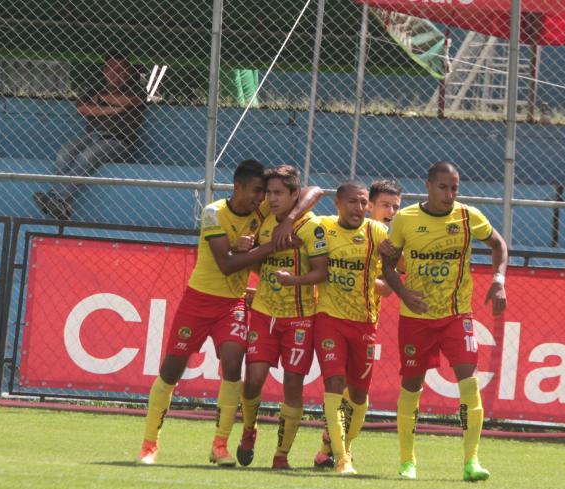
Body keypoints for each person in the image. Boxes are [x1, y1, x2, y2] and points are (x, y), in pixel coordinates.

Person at [136, 160, 321, 466]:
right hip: (198, 301)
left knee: (234, 361)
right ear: (238, 188)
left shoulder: (260, 213)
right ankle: (149, 444)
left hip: (232, 304)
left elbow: (314, 191)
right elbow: (227, 264)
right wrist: (269, 247)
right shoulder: (213, 212)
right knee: (171, 371)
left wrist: (288, 220)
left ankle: (220, 444)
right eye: (256, 191)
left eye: (265, 192)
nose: (262, 199)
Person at [381, 161, 508, 482]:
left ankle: (472, 461)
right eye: (443, 187)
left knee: (469, 380)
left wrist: (498, 279)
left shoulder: (468, 217)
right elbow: (388, 263)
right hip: (415, 318)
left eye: (454, 188)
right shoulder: (406, 219)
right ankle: (407, 461)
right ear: (428, 186)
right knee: (411, 385)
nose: (450, 194)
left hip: (456, 316)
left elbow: (498, 244)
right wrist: (403, 293)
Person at [236, 165, 328, 470]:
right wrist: (252, 250)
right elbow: (256, 266)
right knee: (254, 381)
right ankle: (249, 430)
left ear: (293, 195)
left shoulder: (312, 226)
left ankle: (281, 454)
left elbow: (321, 272)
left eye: (278, 193)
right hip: (263, 312)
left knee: (292, 384)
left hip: (300, 317)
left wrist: (294, 281)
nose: (271, 199)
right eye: (269, 193)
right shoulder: (263, 216)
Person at [311, 179, 400, 469]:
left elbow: (389, 285)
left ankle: (333, 447)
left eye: (396, 207)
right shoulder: (328, 227)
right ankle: (341, 457)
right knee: (336, 384)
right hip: (329, 317)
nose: (391, 211)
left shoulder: (382, 238)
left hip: (364, 321)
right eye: (385, 205)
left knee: (358, 395)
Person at [34, 56, 146, 221]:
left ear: (128, 72)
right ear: (104, 71)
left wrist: (100, 102)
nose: (115, 74)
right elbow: (83, 108)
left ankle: (55, 198)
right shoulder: (95, 90)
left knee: (87, 157)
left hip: (118, 141)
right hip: (92, 136)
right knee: (64, 153)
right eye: (111, 69)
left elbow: (129, 100)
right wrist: (115, 109)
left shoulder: (136, 90)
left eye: (121, 70)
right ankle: (61, 203)